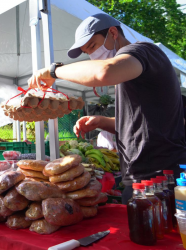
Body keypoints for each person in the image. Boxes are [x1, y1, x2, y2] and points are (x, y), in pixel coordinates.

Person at [27, 13, 186, 204]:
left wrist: (54, 71)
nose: (94, 56)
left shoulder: (143, 51)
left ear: (113, 33)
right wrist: (103, 122)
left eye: (93, 46)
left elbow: (104, 71)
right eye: (88, 52)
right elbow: (143, 124)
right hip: (140, 179)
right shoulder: (131, 75)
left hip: (161, 178)